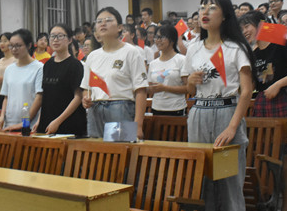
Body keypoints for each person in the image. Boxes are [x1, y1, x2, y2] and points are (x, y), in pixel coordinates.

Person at [181, 0, 254, 211]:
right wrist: (192, 80)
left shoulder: (236, 48)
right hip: (199, 113)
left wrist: (232, 127)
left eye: (212, 7)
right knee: (204, 187)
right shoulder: (194, 48)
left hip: (227, 112)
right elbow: (189, 88)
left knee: (229, 188)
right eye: (202, 7)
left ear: (224, 15)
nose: (205, 12)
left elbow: (246, 92)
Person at [240, 10, 287, 211]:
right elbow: (252, 85)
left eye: (247, 26)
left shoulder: (280, 42)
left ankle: (286, 210)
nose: (244, 31)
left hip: (285, 102)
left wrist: (278, 84)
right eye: (241, 28)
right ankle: (265, 206)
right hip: (262, 104)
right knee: (263, 156)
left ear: (261, 24)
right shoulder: (251, 52)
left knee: (285, 158)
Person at [81, 7, 147, 139]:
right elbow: (86, 88)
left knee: (120, 149)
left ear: (119, 27)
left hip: (120, 108)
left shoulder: (131, 52)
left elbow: (141, 90)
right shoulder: (93, 56)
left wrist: (138, 125)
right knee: (96, 150)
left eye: (108, 20)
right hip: (95, 110)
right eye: (99, 21)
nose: (103, 24)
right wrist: (86, 99)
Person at [37, 24, 86, 136]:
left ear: (69, 40)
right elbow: (46, 96)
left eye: (60, 36)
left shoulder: (75, 65)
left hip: (69, 124)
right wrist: (39, 119)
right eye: (52, 36)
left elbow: (78, 97)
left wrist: (58, 121)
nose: (55, 40)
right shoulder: (48, 64)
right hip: (48, 123)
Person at [0, 29, 43, 131]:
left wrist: (24, 123)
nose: (14, 49)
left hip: (28, 125)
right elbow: (6, 97)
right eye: (11, 46)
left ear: (29, 45)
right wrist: (2, 116)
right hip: (9, 123)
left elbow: (39, 98)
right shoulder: (9, 69)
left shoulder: (39, 68)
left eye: (18, 46)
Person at [147, 25, 187, 116]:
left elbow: (188, 88)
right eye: (156, 37)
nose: (158, 40)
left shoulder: (181, 60)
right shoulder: (153, 63)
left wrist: (165, 88)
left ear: (172, 40)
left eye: (162, 37)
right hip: (156, 107)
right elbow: (150, 87)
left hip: (176, 108)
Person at [0, 32, 15, 109]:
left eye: (5, 41)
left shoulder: (16, 59)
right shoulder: (0, 61)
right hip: (0, 94)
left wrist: (3, 79)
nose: (2, 43)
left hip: (11, 95)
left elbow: (18, 78)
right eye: (1, 41)